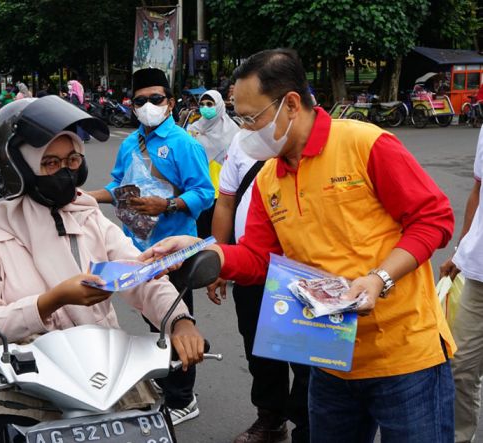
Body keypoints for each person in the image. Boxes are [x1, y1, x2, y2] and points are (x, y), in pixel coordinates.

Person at [142, 48, 456, 442]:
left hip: (404, 357)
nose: (244, 131)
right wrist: (202, 249)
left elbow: (434, 218)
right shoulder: (269, 177)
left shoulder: (365, 144)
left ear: (290, 103)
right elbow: (258, 258)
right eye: (239, 119)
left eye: (251, 118)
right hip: (327, 358)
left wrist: (379, 277)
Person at [0, 96, 205, 442]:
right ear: (19, 167)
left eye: (72, 159)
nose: (66, 171)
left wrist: (179, 319)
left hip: (100, 372)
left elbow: (137, 275)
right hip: (25, 383)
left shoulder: (88, 215)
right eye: (50, 162)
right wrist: (51, 300)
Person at [89, 68, 214, 426]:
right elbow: (118, 187)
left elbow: (205, 193)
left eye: (156, 99)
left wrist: (168, 205)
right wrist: (82, 197)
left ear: (170, 102)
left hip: (175, 252)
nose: (148, 106)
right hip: (137, 249)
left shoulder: (183, 144)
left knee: (176, 320)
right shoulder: (130, 144)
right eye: (140, 100)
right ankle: (168, 380)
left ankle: (182, 398)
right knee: (153, 318)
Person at [208, 132, 309, 443]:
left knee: (308, 358)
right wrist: (220, 258)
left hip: (302, 271)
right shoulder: (240, 141)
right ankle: (271, 418)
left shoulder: (319, 142)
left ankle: (307, 427)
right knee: (260, 349)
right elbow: (225, 202)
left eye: (253, 111)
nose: (247, 121)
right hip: (251, 266)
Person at [439, 126, 483, 443]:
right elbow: (479, 189)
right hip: (479, 275)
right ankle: (459, 437)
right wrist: (461, 249)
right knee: (460, 366)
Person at [187, 89, 239, 238]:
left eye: (210, 104)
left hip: (221, 192)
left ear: (219, 105)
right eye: (202, 104)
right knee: (197, 237)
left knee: (216, 237)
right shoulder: (193, 129)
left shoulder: (232, 131)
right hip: (197, 189)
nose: (205, 108)